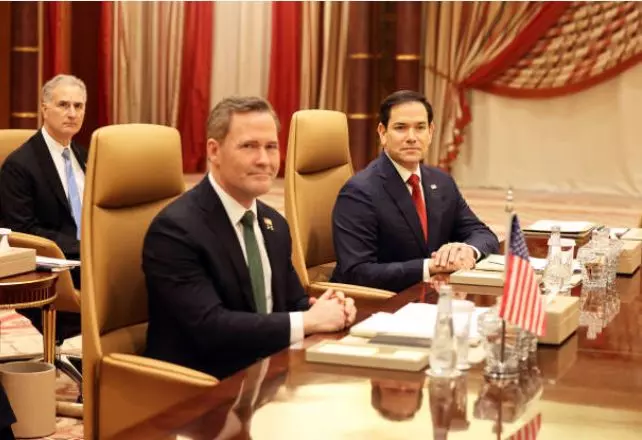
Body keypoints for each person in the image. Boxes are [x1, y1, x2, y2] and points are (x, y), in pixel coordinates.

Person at [143, 96, 357, 379]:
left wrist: (327, 308)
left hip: (271, 373)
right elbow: (210, 328)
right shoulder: (175, 231)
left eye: (271, 147)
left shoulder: (274, 224)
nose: (264, 160)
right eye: (249, 146)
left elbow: (291, 303)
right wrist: (307, 321)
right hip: (203, 386)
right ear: (214, 151)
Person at [331, 90, 499, 292]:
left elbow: (483, 234)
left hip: (430, 295)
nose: (411, 137)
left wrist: (467, 250)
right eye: (400, 128)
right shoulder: (359, 192)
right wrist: (431, 266)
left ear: (431, 132)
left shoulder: (441, 181)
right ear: (383, 133)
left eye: (420, 128)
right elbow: (356, 273)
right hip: (384, 301)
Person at [0, 74, 87, 339]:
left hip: (92, 257)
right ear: (44, 108)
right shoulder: (19, 165)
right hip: (56, 265)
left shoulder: (86, 155)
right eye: (63, 105)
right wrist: (85, 248)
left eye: (78, 106)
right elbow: (23, 231)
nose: (72, 113)